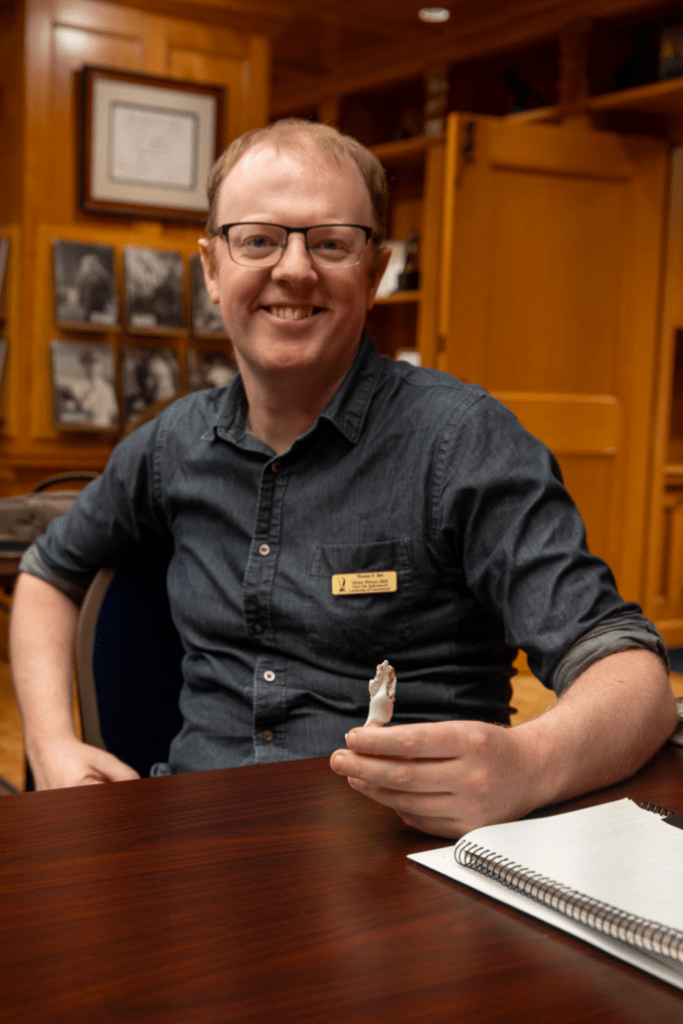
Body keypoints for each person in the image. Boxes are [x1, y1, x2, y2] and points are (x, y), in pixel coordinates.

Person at [10, 119, 676, 839]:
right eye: (258, 240)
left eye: (330, 243)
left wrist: (529, 763)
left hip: (399, 857)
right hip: (195, 842)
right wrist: (50, 744)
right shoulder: (171, 444)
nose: (294, 269)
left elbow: (633, 676)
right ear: (212, 268)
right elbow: (50, 570)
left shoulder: (462, 442)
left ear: (375, 269)